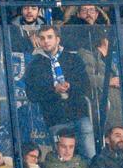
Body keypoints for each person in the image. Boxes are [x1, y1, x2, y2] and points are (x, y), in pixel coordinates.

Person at [26, 25, 95, 159]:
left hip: (79, 114)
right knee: (63, 159)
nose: (46, 41)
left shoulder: (73, 59)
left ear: (58, 39)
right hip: (56, 118)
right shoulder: (34, 65)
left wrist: (70, 86)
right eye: (42, 38)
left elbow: (85, 84)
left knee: (90, 155)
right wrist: (53, 90)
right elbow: (32, 94)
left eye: (49, 37)